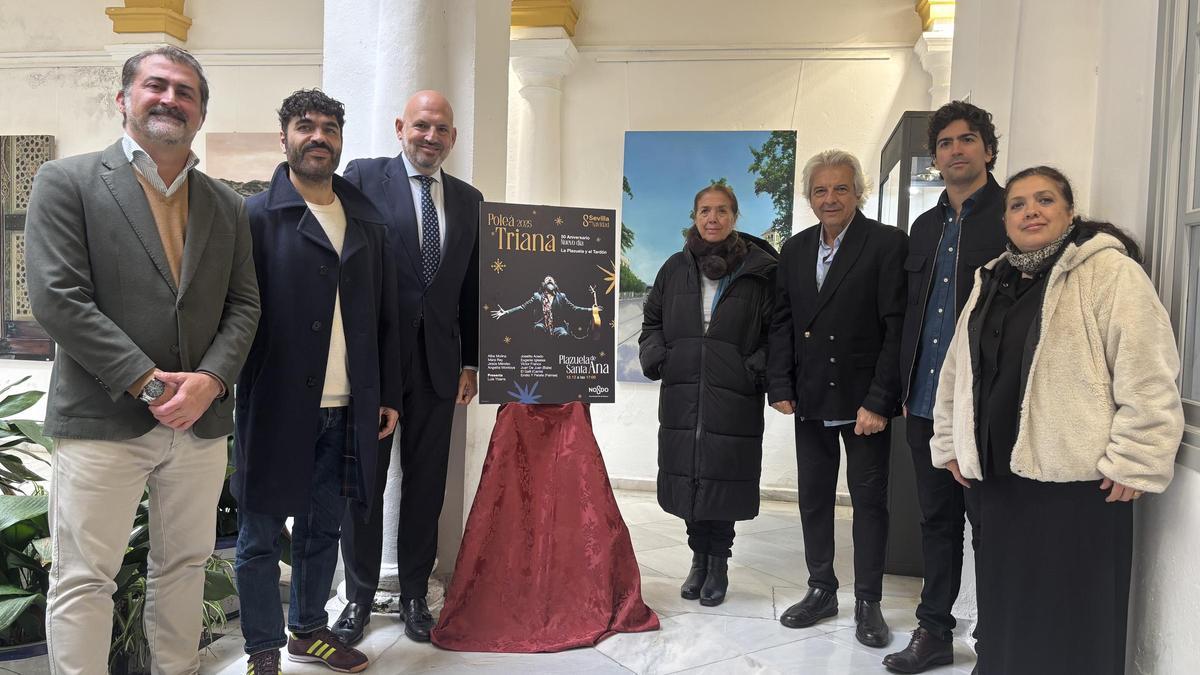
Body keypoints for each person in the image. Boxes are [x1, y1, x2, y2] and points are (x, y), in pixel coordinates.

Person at [24, 46, 259, 673]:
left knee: (184, 569)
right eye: (156, 86)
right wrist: (147, 383)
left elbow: (245, 306)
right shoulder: (66, 181)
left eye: (186, 92)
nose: (170, 99)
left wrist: (210, 380)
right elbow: (57, 298)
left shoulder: (226, 205)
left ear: (200, 114)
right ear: (123, 98)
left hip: (200, 426)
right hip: (103, 419)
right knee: (84, 577)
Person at [929, 166, 1183, 675]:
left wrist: (1137, 457)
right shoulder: (991, 279)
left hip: (1079, 487)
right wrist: (950, 440)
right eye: (1019, 204)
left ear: (1069, 212)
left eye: (1045, 200)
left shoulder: (1109, 272)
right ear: (1006, 219)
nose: (1031, 211)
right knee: (1005, 606)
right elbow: (957, 370)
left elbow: (1148, 368)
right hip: (999, 483)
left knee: (1073, 615)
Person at [232, 89, 402, 674]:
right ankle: (261, 647)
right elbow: (236, 310)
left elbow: (386, 318)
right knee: (258, 534)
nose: (318, 136)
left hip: (347, 405)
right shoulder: (256, 215)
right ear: (284, 136)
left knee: (321, 528)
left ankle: (308, 630)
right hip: (273, 402)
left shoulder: (366, 222)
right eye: (305, 126)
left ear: (339, 141)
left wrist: (385, 397)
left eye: (329, 127)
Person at [336, 90, 483, 645]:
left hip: (439, 369)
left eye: (442, 129)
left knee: (427, 486)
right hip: (373, 366)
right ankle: (357, 598)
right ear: (401, 127)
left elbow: (470, 288)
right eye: (422, 125)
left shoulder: (470, 200)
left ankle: (417, 595)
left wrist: (471, 360)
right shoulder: (363, 179)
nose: (431, 137)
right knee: (364, 484)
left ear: (453, 138)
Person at [885, 100, 1008, 674]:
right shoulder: (926, 226)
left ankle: (996, 640)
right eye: (945, 143)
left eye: (966, 140)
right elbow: (910, 314)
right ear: (934, 156)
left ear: (987, 148)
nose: (955, 150)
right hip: (926, 402)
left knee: (989, 526)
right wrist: (901, 393)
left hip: (981, 408)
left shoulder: (1011, 215)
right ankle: (933, 631)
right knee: (936, 522)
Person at [768, 150, 906, 648]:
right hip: (809, 397)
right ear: (809, 198)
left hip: (863, 401)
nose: (831, 198)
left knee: (869, 502)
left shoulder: (887, 243)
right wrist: (779, 384)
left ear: (858, 193)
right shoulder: (797, 249)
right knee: (813, 498)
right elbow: (782, 319)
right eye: (821, 190)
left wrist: (879, 400)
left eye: (841, 189)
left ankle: (868, 600)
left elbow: (896, 329)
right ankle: (821, 589)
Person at [638, 183, 778, 607]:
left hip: (733, 393)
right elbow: (652, 320)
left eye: (721, 211)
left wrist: (752, 368)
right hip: (683, 392)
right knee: (691, 479)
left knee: (723, 478)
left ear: (735, 216)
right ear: (694, 216)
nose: (712, 218)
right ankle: (698, 560)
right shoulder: (674, 269)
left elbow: (778, 331)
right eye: (704, 211)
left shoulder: (760, 270)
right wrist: (661, 356)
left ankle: (718, 564)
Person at [490, 275, 600, 337]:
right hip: (542, 325)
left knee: (564, 335)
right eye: (547, 280)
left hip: (558, 326)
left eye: (551, 280)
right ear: (544, 284)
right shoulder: (537, 296)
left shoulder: (561, 296)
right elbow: (522, 307)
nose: (550, 280)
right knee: (539, 328)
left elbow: (574, 308)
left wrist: (592, 309)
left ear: (555, 284)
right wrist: (506, 312)